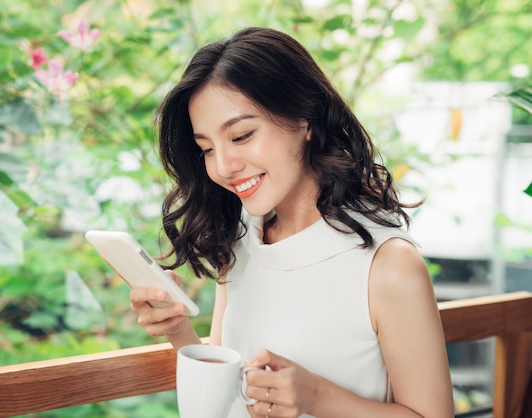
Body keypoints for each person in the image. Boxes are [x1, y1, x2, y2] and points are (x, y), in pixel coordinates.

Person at [130, 27, 454, 418]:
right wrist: (177, 329)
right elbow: (229, 390)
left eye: (242, 135)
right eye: (206, 149)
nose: (223, 166)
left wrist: (317, 397)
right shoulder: (241, 240)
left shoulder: (388, 265)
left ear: (305, 120)